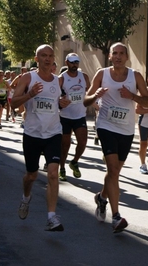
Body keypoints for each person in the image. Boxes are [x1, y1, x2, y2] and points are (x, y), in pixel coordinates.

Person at [84, 42, 148, 233]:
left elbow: (147, 101)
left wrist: (132, 96)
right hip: (106, 125)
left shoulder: (135, 76)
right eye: (115, 53)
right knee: (112, 169)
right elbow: (85, 100)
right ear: (111, 56)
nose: (118, 56)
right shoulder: (102, 74)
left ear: (127, 56)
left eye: (122, 53)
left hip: (127, 129)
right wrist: (95, 95)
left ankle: (101, 197)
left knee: (114, 173)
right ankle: (116, 216)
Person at [11, 44, 71, 231]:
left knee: (53, 174)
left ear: (54, 59)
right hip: (32, 134)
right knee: (31, 175)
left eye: (50, 56)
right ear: (36, 59)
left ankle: (51, 217)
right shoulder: (28, 78)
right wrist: (30, 94)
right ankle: (25, 198)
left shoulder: (58, 81)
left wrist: (63, 103)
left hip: (53, 132)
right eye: (43, 56)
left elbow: (58, 103)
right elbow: (13, 103)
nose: (47, 59)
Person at [58, 53, 90, 181]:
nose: (74, 64)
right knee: (65, 145)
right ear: (66, 63)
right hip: (65, 116)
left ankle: (74, 161)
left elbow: (89, 92)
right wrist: (60, 100)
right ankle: (62, 168)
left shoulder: (84, 77)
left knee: (82, 142)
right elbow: (56, 96)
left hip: (80, 115)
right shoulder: (62, 78)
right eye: (72, 62)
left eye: (76, 62)